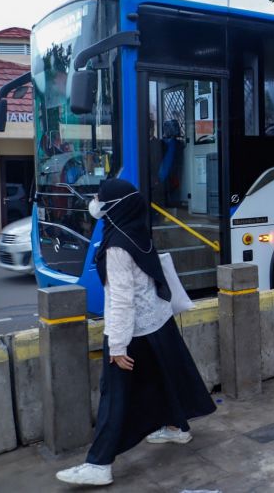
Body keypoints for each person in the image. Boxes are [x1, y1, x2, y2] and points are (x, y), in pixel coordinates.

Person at [56, 179, 216, 486]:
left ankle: (99, 464)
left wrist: (117, 346)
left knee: (113, 396)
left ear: (113, 207)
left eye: (100, 199)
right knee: (164, 376)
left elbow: (121, 300)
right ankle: (176, 427)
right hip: (158, 322)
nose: (95, 203)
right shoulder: (137, 230)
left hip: (134, 331)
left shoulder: (116, 246)